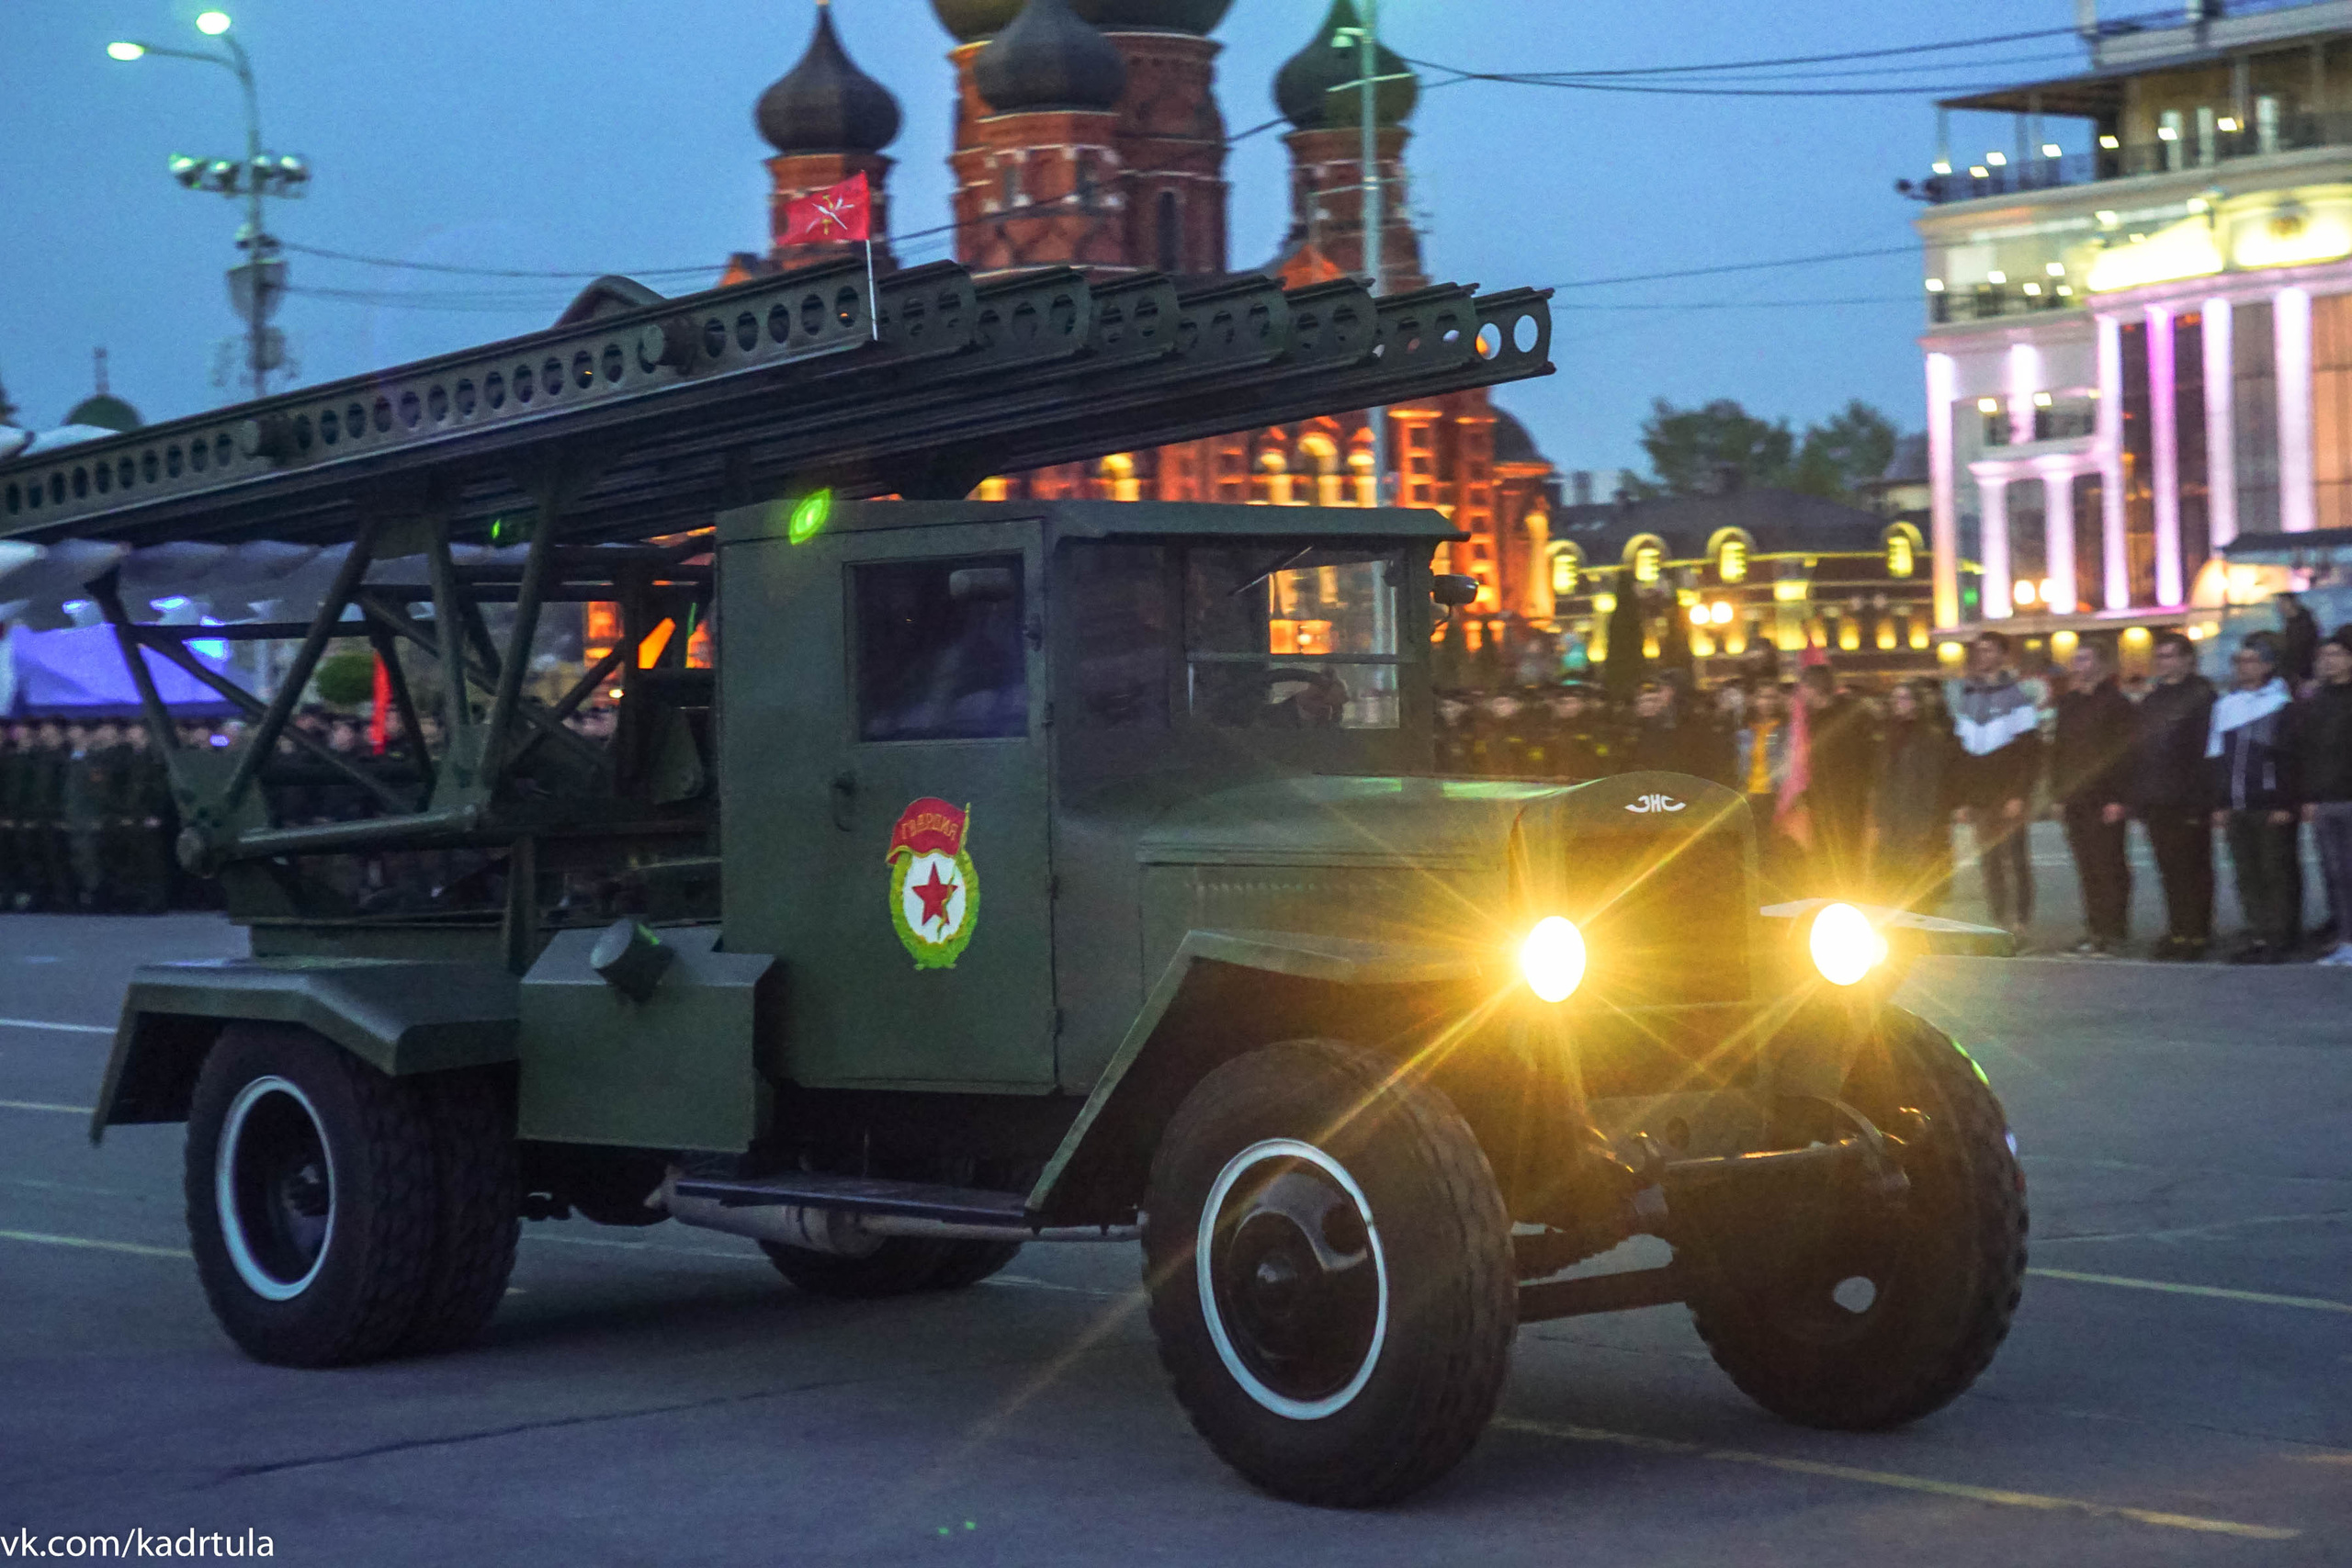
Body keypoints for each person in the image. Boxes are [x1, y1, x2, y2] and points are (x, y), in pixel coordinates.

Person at [2209, 635, 2302, 963]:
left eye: (2250, 661)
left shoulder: (2282, 705)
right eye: (2238, 662)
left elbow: (2291, 760)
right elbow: (2217, 757)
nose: (2242, 668)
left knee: (2276, 871)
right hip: (2237, 804)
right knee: (2246, 872)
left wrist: (2285, 803)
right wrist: (2220, 803)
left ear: (2267, 666)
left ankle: (2282, 934)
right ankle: (2259, 932)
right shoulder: (2225, 706)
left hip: (2269, 804)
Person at [2127, 631, 2219, 959]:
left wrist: (2201, 800)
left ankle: (2197, 933)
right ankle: (2178, 929)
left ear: (2187, 660)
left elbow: (2207, 753)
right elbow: (2141, 752)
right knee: (2169, 868)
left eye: (2170, 656)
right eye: (2160, 656)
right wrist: (2139, 797)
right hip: (2157, 797)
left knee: (2194, 867)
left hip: (2187, 798)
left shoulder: (2201, 696)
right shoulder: (2153, 700)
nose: (2164, 662)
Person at [1951, 632, 2043, 939]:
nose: (1981, 655)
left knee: (2015, 860)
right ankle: (1999, 920)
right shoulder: (1969, 694)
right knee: (1989, 862)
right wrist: (1962, 798)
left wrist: (2019, 794)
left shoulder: (2016, 695)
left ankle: (2020, 922)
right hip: (1980, 797)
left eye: (1989, 650)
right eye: (1979, 650)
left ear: (2003, 655)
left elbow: (2030, 751)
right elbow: (1962, 752)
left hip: (2009, 795)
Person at [2051, 644, 2135, 955]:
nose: (2078, 665)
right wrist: (2058, 795)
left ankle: (2114, 930)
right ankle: (2094, 927)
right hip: (2076, 799)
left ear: (2100, 665)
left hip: (2105, 798)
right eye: (2076, 659)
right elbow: (2058, 752)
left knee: (2109, 865)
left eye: (2085, 659)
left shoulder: (2116, 703)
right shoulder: (2069, 703)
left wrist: (2119, 798)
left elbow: (2125, 753)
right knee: (2086, 866)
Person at [1871, 679, 1956, 914]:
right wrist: (1879, 818)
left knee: (1919, 883)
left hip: (1917, 820)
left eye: (1904, 698)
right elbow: (1881, 782)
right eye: (1895, 698)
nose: (1898, 704)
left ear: (1917, 703)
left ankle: (1922, 930)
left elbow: (1932, 785)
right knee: (1892, 881)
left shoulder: (1930, 738)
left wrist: (1925, 825)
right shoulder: (1888, 737)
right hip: (1892, 819)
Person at [1790, 664, 1874, 897]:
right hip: (1821, 802)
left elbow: (1865, 758)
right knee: (1824, 856)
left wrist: (1863, 791)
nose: (1800, 694)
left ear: (1813, 688)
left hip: (1848, 801)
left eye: (1802, 687)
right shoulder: (1811, 720)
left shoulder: (1851, 714)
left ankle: (1851, 900)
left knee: (1848, 856)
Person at [2301, 631, 2352, 965]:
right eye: (2325, 655)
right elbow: (2308, 752)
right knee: (2335, 875)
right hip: (2325, 799)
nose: (2328, 660)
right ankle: (2346, 940)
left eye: (2336, 654)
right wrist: (2309, 796)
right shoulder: (2317, 700)